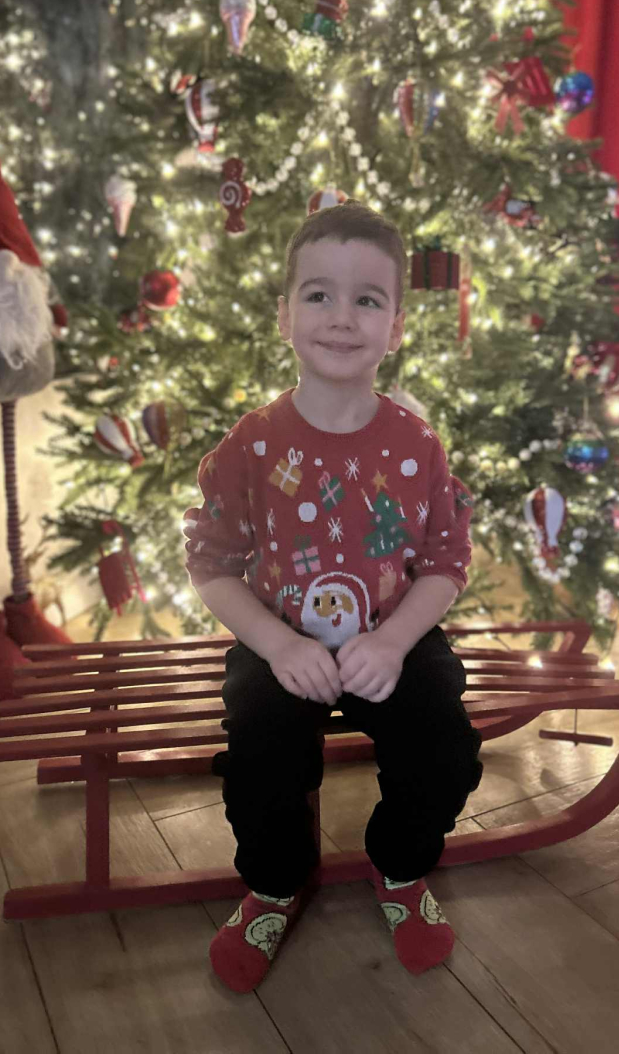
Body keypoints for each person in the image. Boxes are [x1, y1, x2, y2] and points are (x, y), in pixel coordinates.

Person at [182, 202, 483, 993]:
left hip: (394, 636)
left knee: (445, 748)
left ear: (396, 326)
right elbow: (211, 564)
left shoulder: (417, 446)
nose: (342, 317)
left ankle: (400, 866)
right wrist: (278, 645)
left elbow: (446, 561)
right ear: (284, 316)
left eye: (367, 299)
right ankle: (274, 883)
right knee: (258, 755)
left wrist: (394, 641)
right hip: (281, 637)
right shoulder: (251, 445)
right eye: (319, 295)